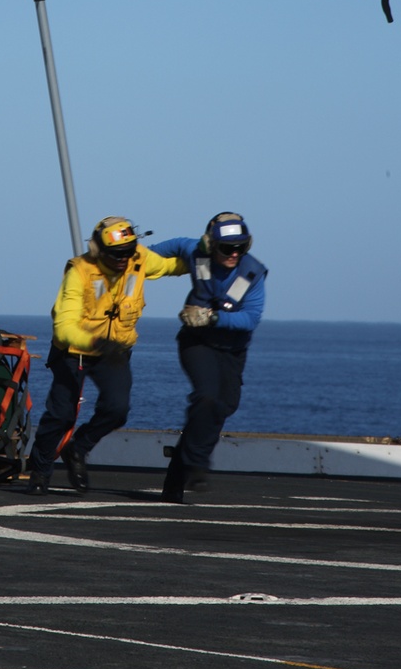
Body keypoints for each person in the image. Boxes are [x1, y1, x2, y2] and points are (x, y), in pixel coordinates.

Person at [25, 216, 187, 494]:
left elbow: (172, 265)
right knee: (61, 415)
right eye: (117, 254)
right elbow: (64, 328)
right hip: (74, 351)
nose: (124, 259)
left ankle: (78, 448)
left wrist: (208, 256)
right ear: (100, 251)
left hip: (114, 350)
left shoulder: (139, 258)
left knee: (117, 409)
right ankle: (39, 471)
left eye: (128, 251)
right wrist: (97, 342)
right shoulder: (79, 272)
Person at [150, 213, 267, 503]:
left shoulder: (253, 273)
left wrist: (213, 318)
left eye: (241, 247)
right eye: (227, 248)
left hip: (231, 350)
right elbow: (173, 246)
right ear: (210, 244)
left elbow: (250, 319)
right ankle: (197, 466)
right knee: (207, 397)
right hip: (197, 342)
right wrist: (136, 261)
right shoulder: (196, 252)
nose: (234, 253)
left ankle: (178, 470)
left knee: (224, 405)